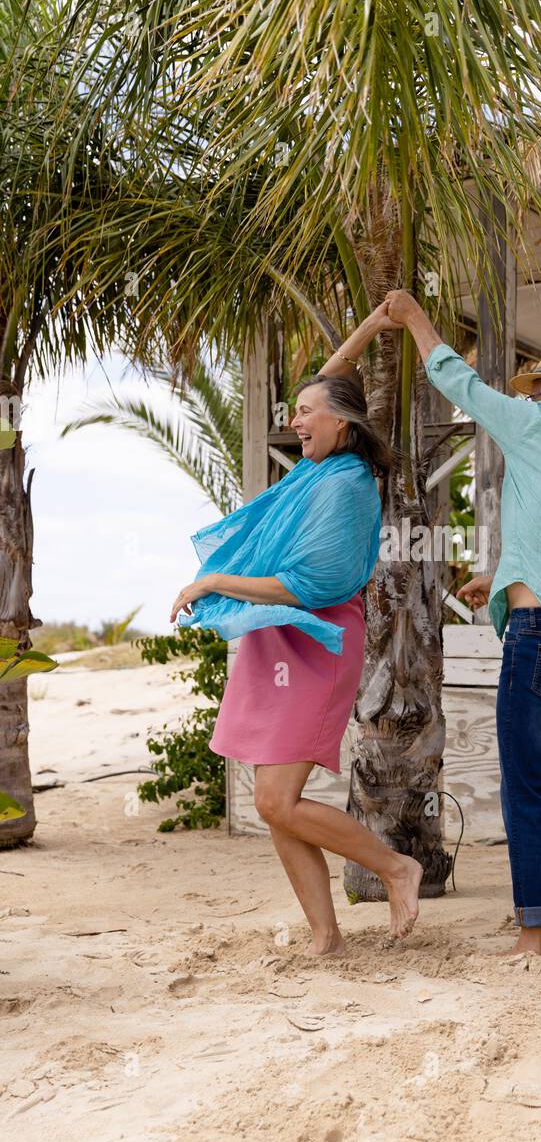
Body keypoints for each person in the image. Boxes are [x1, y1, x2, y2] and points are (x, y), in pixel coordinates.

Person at [382, 288, 541, 958]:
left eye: (534, 393)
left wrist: (413, 316)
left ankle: (535, 937)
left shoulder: (538, 426)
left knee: (525, 790)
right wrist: (502, 577)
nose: (523, 402)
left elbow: (458, 380)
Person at [169, 302, 423, 953]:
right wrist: (369, 328)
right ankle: (324, 936)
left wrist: (213, 581)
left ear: (340, 422)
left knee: (277, 802)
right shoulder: (319, 465)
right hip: (276, 636)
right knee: (271, 802)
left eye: (304, 413)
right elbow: (330, 382)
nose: (293, 421)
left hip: (315, 640)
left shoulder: (344, 486)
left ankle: (395, 868)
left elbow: (312, 588)